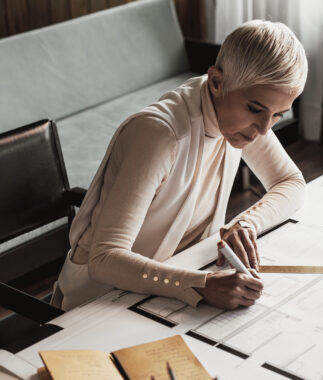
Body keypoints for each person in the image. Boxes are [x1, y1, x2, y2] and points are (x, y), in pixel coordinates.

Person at [50, 20, 307, 311]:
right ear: (216, 82)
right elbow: (104, 260)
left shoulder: (241, 114)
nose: (263, 130)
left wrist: (246, 223)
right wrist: (197, 284)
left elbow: (291, 182)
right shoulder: (160, 135)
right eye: (256, 110)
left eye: (277, 115)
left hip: (170, 285)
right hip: (100, 301)